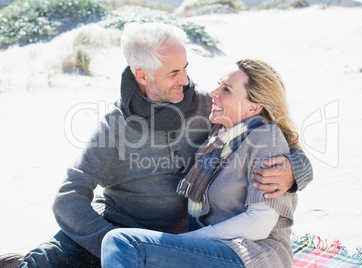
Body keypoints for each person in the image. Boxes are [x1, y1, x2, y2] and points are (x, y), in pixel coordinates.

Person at [0, 23, 312, 268]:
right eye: (174, 72)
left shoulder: (208, 108)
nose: (186, 80)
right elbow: (68, 196)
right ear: (143, 76)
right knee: (42, 264)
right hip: (114, 228)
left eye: (186, 68)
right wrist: (108, 241)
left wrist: (294, 170)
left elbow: (271, 134)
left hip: (180, 240)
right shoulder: (115, 126)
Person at [101, 58, 299, 268]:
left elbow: (260, 223)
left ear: (253, 108)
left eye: (226, 90)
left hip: (253, 257)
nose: (214, 93)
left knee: (121, 242)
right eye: (218, 85)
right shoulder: (220, 139)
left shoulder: (266, 137)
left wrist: (182, 242)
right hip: (215, 251)